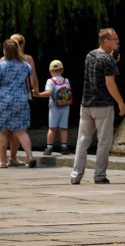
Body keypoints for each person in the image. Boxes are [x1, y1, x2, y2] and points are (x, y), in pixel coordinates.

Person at [71, 27, 125, 186]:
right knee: (104, 142)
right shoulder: (107, 60)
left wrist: (112, 61)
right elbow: (110, 83)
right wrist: (121, 103)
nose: (118, 41)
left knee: (82, 141)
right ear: (106, 41)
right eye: (115, 39)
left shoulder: (90, 55)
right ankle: (100, 175)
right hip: (102, 106)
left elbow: (96, 72)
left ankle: (76, 175)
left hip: (86, 104)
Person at [0, 37, 35, 169]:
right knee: (21, 131)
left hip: (3, 100)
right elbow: (30, 83)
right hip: (21, 99)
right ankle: (30, 156)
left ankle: (2, 162)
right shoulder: (25, 65)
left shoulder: (1, 65)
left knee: (2, 132)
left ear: (5, 51)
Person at [38, 59, 73, 154]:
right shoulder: (66, 80)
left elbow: (48, 92)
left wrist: (38, 94)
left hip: (54, 107)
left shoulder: (50, 81)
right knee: (63, 128)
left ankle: (49, 148)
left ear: (50, 71)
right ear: (62, 70)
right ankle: (64, 147)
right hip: (65, 106)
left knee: (52, 128)